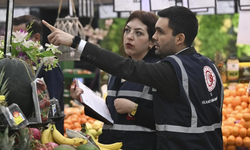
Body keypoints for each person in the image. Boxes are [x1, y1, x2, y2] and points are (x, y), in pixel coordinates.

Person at [43, 6, 224, 150]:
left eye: (160, 32)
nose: (155, 37)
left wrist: (76, 42)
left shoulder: (170, 69)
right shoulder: (208, 66)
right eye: (127, 30)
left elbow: (125, 67)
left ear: (179, 39)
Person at [71, 10, 160, 150]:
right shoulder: (116, 71)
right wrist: (85, 100)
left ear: (151, 42)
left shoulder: (155, 71)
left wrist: (134, 109)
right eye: (127, 30)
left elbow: (167, 119)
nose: (129, 37)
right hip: (108, 144)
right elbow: (112, 115)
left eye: (138, 33)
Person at [13, 15, 65, 135]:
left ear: (36, 38)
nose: (15, 43)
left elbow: (52, 104)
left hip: (47, 134)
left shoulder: (48, 63)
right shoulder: (18, 62)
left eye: (20, 38)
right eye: (13, 38)